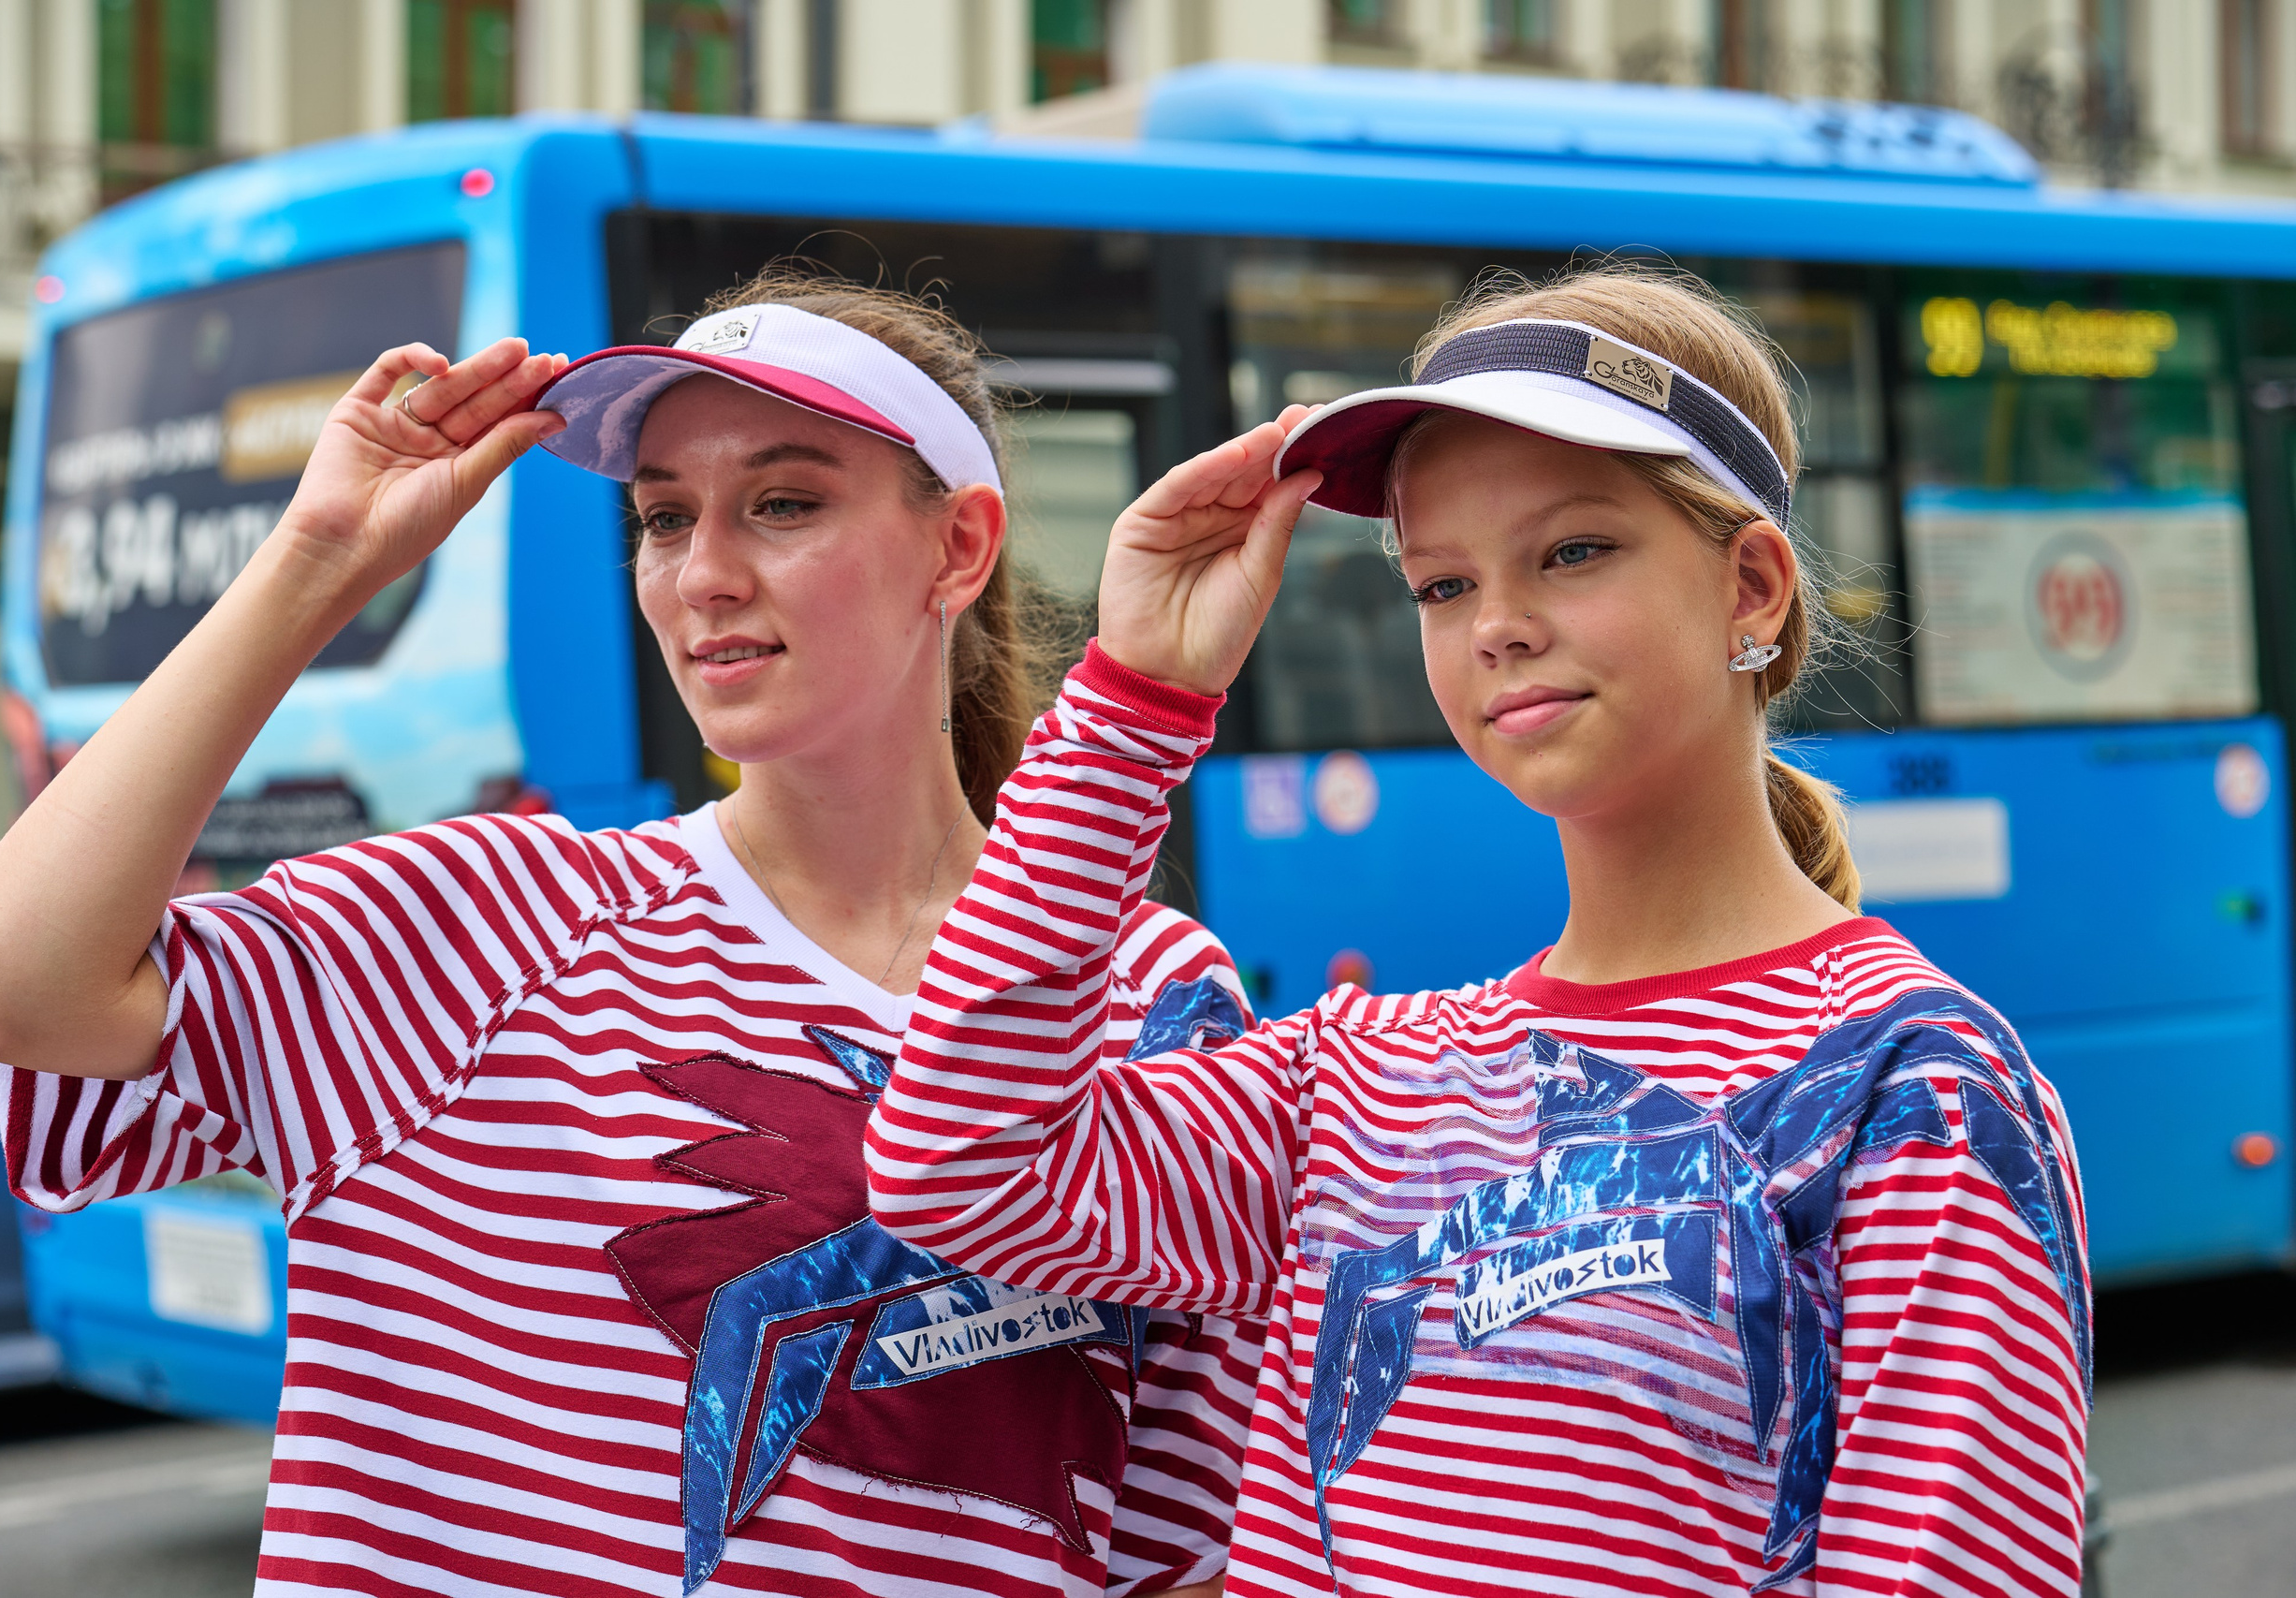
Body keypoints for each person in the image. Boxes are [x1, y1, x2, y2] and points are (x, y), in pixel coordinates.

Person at [0, 274, 1260, 1597]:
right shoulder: (482, 925)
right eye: (665, 519)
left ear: (959, 548)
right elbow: (0, 987)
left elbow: (1169, 1544)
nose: (704, 574)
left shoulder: (1151, 994)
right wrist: (323, 562)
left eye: (782, 505)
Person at [865, 265, 2093, 1596]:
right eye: (1441, 585)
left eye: (1573, 551)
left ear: (1751, 587)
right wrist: (1140, 695)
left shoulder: (1917, 1093)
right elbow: (959, 1163)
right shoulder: (1352, 1083)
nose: (1499, 627)